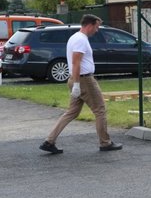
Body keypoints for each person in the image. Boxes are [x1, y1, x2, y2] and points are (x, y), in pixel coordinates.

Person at [39, 14, 122, 155]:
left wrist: (76, 83)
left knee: (71, 112)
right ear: (90, 25)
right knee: (100, 110)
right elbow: (76, 62)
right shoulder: (80, 40)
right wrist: (77, 84)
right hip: (84, 80)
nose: (97, 30)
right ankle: (105, 142)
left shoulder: (75, 38)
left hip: (77, 79)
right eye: (96, 27)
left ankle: (49, 141)